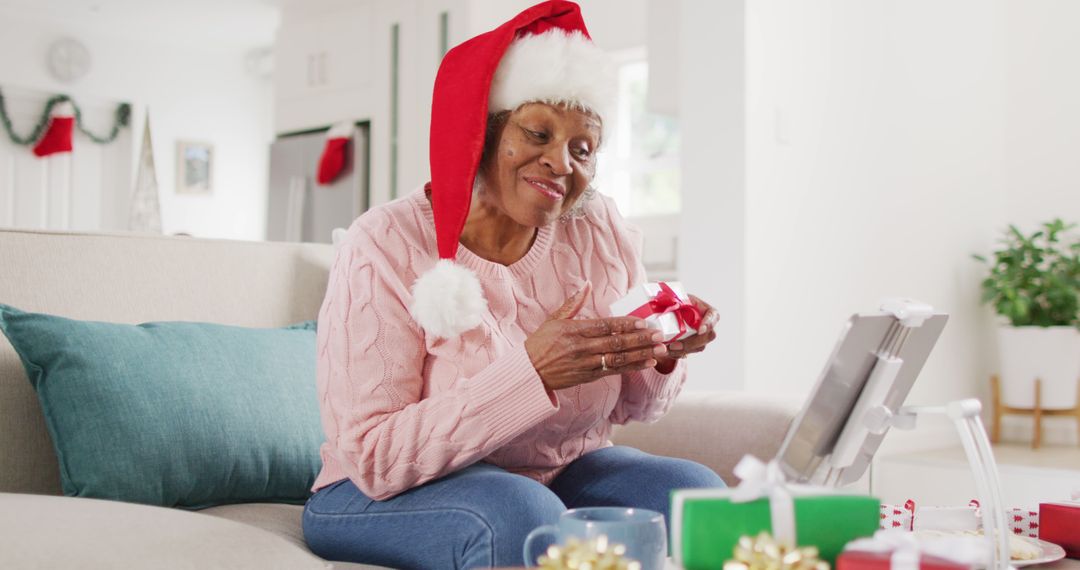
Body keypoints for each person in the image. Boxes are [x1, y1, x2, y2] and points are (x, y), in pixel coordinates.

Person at [302, 2, 724, 568]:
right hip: (374, 490)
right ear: (487, 129)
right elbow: (374, 457)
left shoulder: (598, 229)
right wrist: (531, 374)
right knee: (520, 513)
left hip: (557, 475)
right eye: (537, 132)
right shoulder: (384, 243)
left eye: (582, 149)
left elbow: (634, 408)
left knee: (694, 495)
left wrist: (659, 350)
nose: (560, 163)